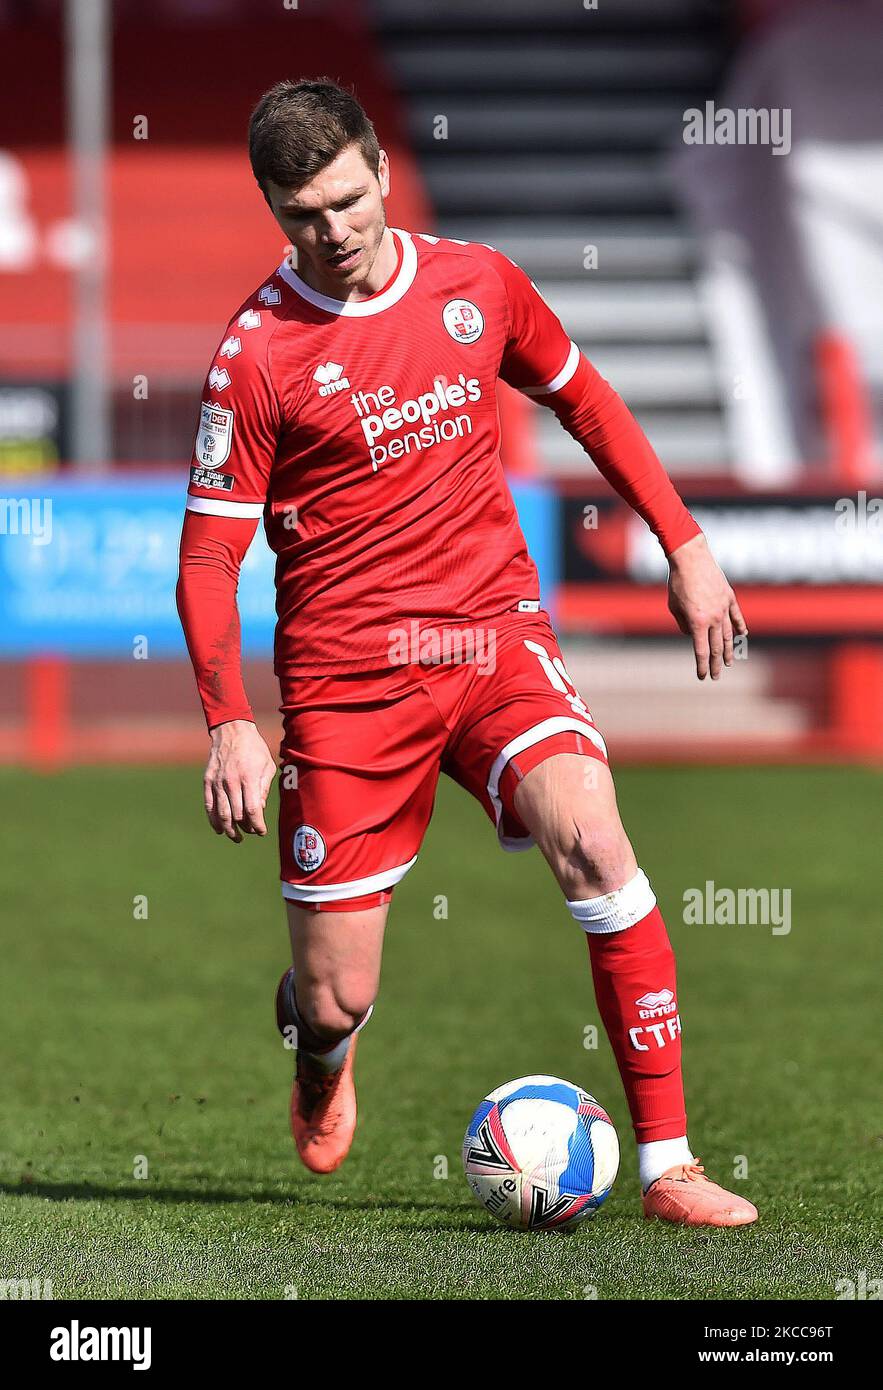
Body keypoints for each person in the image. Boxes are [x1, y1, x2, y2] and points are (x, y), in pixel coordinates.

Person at [177, 78, 757, 1228]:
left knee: (596, 844)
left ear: (382, 170)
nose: (331, 231)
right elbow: (206, 560)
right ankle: (321, 1056)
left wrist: (685, 545)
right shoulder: (254, 358)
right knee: (338, 996)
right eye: (301, 215)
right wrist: (230, 721)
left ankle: (669, 1166)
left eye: (346, 200)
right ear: (273, 211)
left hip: (493, 636)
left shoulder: (476, 284)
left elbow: (587, 401)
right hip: (348, 685)